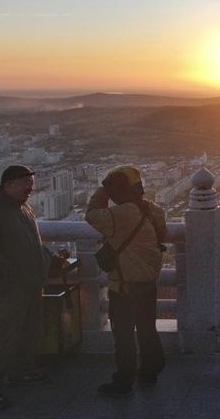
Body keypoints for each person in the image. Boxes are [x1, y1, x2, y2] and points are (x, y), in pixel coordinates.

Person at [0, 165, 51, 410]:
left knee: (29, 332)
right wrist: (10, 273)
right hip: (9, 288)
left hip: (32, 284)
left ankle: (20, 372)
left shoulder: (24, 208)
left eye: (32, 183)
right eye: (25, 183)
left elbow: (33, 243)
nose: (31, 188)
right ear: (8, 185)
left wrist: (46, 260)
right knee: (2, 339)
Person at [86, 166, 168, 396]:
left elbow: (91, 215)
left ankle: (124, 380)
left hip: (124, 285)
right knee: (146, 329)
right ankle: (151, 370)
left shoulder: (120, 215)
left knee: (123, 334)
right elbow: (163, 237)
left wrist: (102, 191)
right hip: (148, 282)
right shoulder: (154, 209)